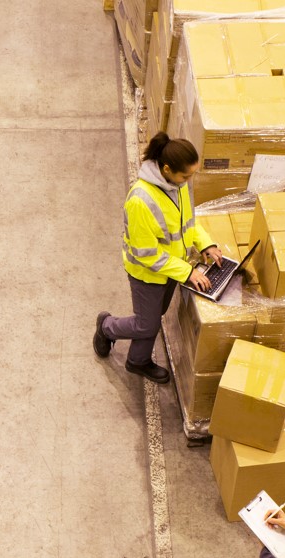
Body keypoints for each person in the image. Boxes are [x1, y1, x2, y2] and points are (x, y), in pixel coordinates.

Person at [93, 131, 223, 384]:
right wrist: (188, 272)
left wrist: (206, 244)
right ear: (166, 169)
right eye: (186, 175)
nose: (189, 180)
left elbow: (187, 223)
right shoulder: (140, 201)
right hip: (148, 273)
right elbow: (146, 255)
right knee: (146, 324)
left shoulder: (178, 185)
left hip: (172, 268)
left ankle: (137, 360)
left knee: (154, 315)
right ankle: (106, 327)